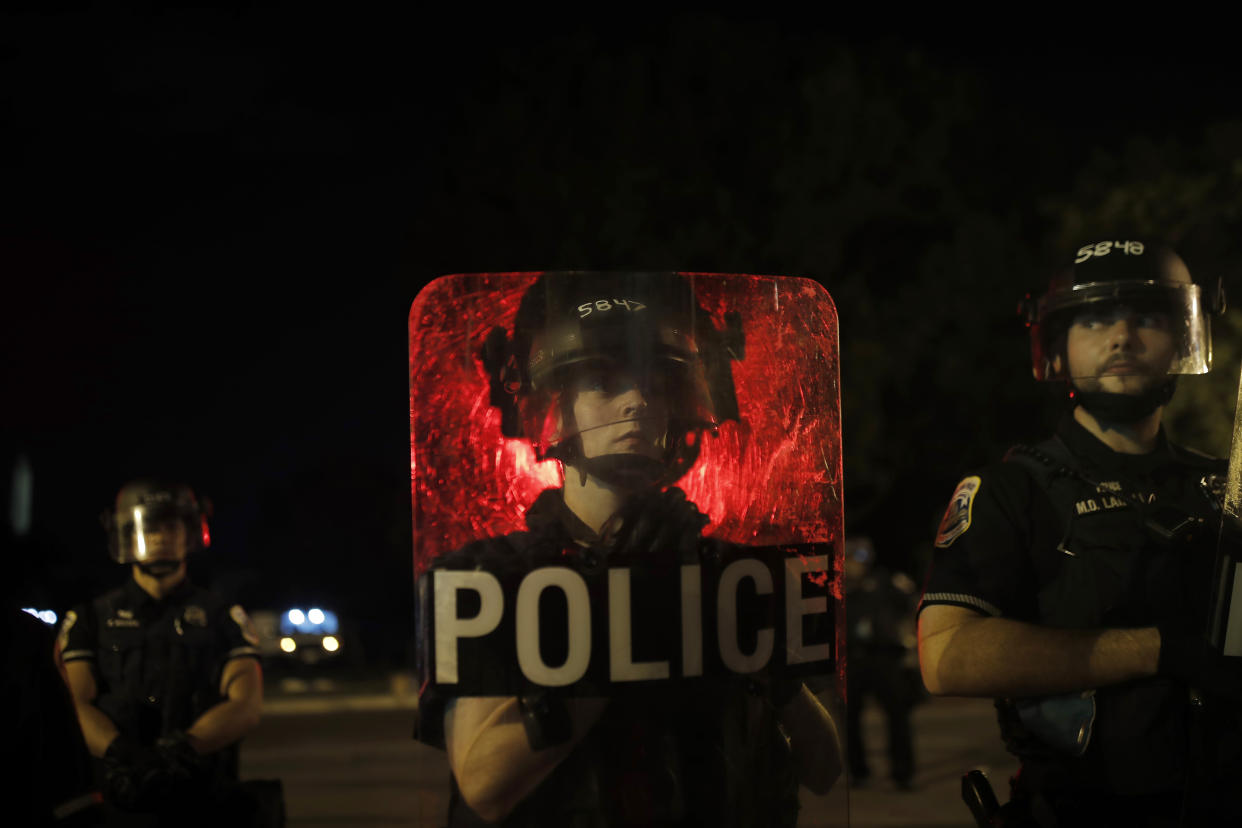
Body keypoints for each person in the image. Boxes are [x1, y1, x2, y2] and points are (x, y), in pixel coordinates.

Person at [415, 272, 843, 826]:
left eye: (659, 383)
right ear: (550, 401)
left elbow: (826, 769)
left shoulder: (734, 574)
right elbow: (484, 786)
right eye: (601, 382)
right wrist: (624, 626)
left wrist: (766, 664)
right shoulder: (489, 577)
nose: (639, 401)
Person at [917, 239, 1241, 826]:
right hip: (1080, 809)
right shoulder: (1014, 490)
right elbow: (947, 656)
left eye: (1146, 318)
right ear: (1058, 348)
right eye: (1094, 320)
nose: (1122, 338)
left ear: (1183, 339)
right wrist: (1160, 648)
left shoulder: (1225, 488)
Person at [57, 479, 270, 826]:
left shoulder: (223, 616)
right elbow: (73, 705)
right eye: (149, 526)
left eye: (171, 525)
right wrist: (123, 755)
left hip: (206, 801)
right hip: (117, 804)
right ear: (124, 532)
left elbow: (246, 703)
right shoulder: (89, 618)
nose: (160, 536)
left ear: (190, 531)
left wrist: (183, 750)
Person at [843, 536, 920, 790]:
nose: (856, 564)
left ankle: (902, 773)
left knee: (898, 715)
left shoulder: (886, 583)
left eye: (861, 558)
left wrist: (909, 644)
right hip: (852, 658)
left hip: (884, 656)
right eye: (852, 558)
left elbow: (912, 604)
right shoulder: (838, 588)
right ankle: (858, 771)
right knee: (849, 718)